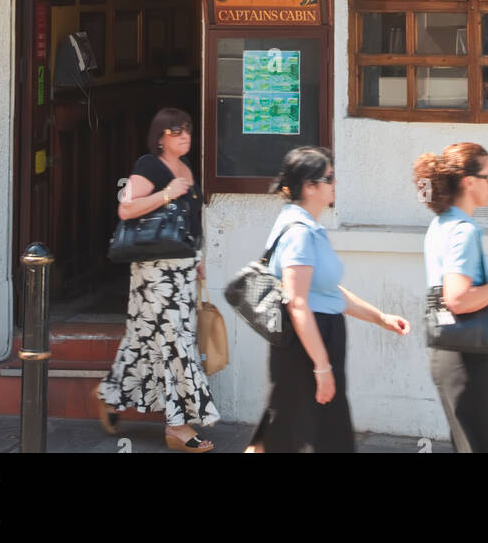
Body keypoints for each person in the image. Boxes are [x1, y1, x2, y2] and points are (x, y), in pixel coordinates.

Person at [247, 146, 410, 453]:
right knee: (313, 436)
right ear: (309, 186)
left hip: (314, 338)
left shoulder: (306, 226)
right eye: (329, 177)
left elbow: (327, 293)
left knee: (284, 434)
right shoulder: (301, 233)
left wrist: (380, 318)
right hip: (308, 344)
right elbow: (297, 302)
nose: (335, 183)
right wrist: (322, 367)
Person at [95, 107, 218, 453]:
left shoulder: (187, 169)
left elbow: (192, 219)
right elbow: (126, 208)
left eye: (188, 131)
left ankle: (109, 396)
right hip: (154, 272)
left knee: (144, 339)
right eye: (176, 131)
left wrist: (199, 257)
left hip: (181, 268)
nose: (185, 137)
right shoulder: (150, 166)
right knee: (176, 343)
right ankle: (177, 426)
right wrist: (168, 193)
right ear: (160, 137)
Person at [414, 143, 488, 454]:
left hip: (453, 353)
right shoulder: (464, 231)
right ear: (469, 181)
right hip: (466, 361)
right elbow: (458, 299)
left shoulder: (441, 225)